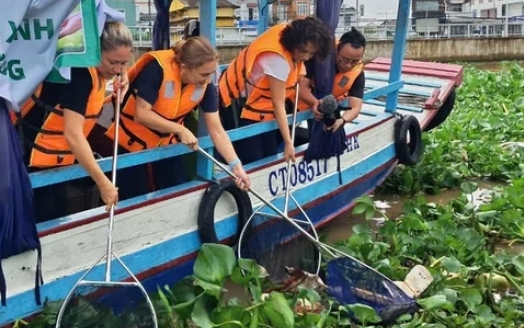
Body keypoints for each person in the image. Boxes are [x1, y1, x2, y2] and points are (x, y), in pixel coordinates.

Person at [103, 36, 252, 199]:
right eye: (204, 74)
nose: (208, 80)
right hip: (130, 144)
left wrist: (236, 166)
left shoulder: (205, 84)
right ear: (184, 67)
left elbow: (216, 129)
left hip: (167, 145)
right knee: (133, 197)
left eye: (211, 73)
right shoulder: (157, 69)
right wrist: (179, 129)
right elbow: (142, 113)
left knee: (177, 190)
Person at [14, 21, 133, 221]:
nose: (118, 69)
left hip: (57, 162)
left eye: (123, 63)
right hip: (31, 160)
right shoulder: (79, 76)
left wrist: (124, 73)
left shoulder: (98, 70)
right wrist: (104, 184)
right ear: (95, 51)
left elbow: (114, 63)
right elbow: (73, 135)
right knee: (40, 222)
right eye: (113, 62)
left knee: (58, 217)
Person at [218, 16, 332, 165]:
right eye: (303, 51)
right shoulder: (278, 60)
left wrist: (313, 102)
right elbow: (278, 104)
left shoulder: (289, 41)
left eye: (311, 53)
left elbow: (294, 84)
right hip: (240, 106)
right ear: (293, 42)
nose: (305, 57)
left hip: (263, 110)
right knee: (253, 160)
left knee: (269, 154)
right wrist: (288, 143)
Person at [305, 27, 367, 130]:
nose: (348, 65)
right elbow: (302, 85)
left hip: (324, 110)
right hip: (296, 103)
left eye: (354, 61)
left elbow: (355, 107)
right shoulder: (319, 58)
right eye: (344, 60)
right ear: (337, 50)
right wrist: (314, 102)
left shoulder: (358, 74)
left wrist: (342, 120)